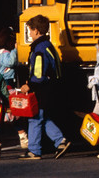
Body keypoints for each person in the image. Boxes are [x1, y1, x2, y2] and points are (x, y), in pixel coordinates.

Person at [20, 14, 71, 160]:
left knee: (35, 118)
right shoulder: (48, 46)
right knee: (43, 117)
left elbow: (38, 73)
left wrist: (29, 85)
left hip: (41, 89)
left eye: (30, 31)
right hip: (50, 88)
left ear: (36, 31)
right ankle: (60, 141)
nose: (29, 34)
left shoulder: (39, 49)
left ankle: (34, 150)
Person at [0, 27, 28, 149]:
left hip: (5, 86)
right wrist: (16, 50)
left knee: (10, 113)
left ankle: (22, 136)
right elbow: (11, 62)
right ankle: (22, 136)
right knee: (14, 112)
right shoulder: (4, 53)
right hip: (7, 86)